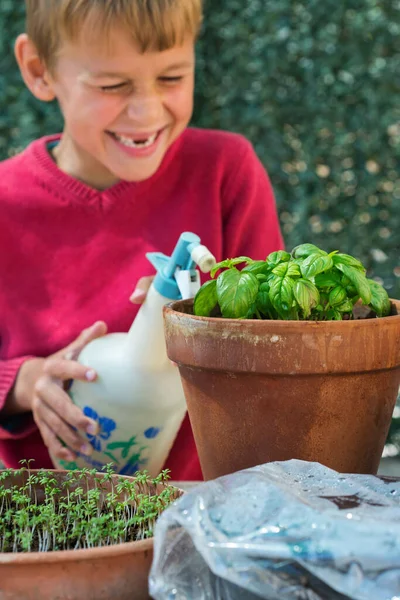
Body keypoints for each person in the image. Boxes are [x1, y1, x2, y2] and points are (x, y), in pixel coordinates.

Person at [0, 0, 284, 480]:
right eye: (112, 85)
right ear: (39, 70)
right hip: (46, 530)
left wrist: (200, 314)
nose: (147, 110)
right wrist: (23, 383)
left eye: (171, 78)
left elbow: (277, 348)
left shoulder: (224, 172)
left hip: (204, 508)